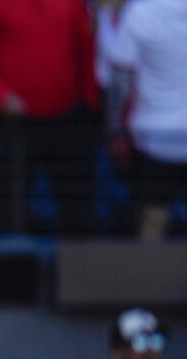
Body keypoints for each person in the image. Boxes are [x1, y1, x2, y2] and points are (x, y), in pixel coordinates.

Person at [0, 0, 99, 235]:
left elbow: (86, 53)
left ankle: (79, 264)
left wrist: (91, 105)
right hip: (15, 124)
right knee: (9, 205)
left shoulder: (73, 4)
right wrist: (1, 96)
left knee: (77, 205)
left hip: (67, 121)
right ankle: (9, 265)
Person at [99, 0, 187, 239]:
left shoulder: (140, 13)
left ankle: (150, 276)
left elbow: (120, 80)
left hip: (153, 135)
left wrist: (113, 128)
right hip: (153, 137)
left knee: (152, 219)